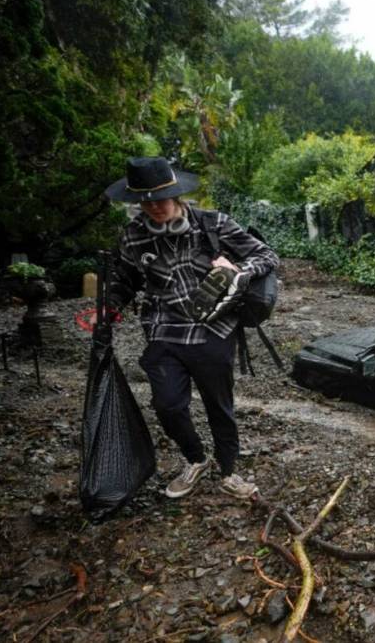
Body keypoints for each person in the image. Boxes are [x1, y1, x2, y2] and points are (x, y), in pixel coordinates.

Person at [103, 156, 279, 500]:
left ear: (176, 194)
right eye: (145, 201)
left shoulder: (213, 224)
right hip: (163, 330)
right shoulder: (133, 237)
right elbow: (125, 280)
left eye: (160, 198)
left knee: (219, 405)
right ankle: (195, 458)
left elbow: (267, 256)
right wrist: (107, 309)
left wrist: (238, 270)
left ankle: (229, 470)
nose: (154, 207)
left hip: (213, 330)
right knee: (167, 405)